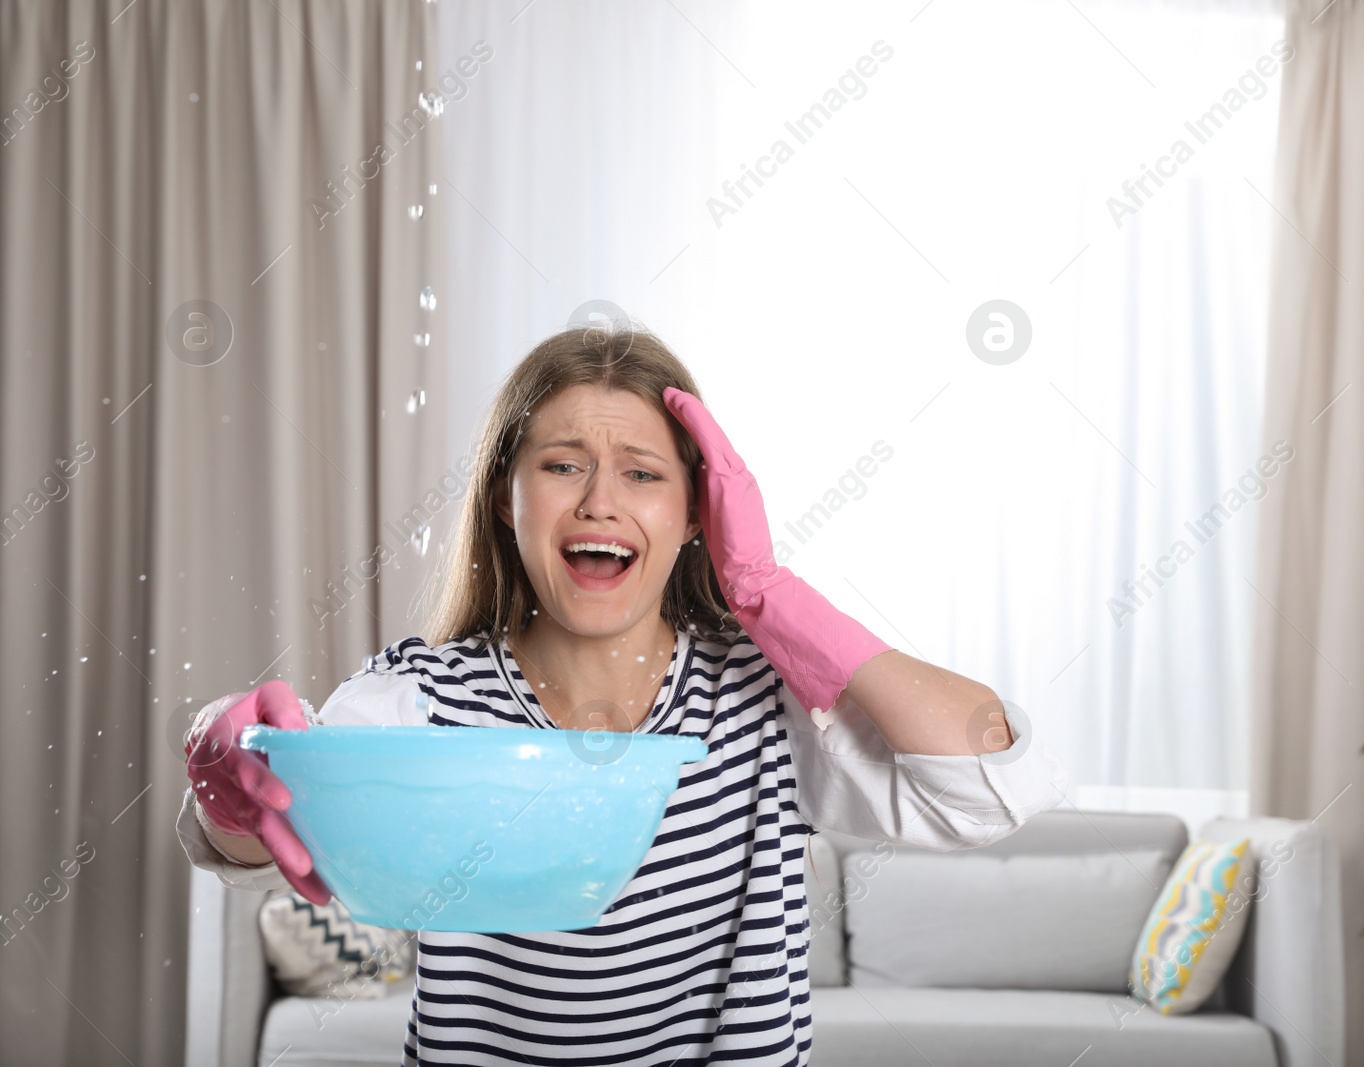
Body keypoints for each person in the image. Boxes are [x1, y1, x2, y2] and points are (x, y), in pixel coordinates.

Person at [176, 322, 1069, 1066]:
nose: (602, 500)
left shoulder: (770, 701)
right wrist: (227, 774)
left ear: (695, 515)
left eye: (644, 472)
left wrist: (764, 588)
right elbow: (260, 832)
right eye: (563, 465)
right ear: (504, 498)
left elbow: (991, 785)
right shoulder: (421, 698)